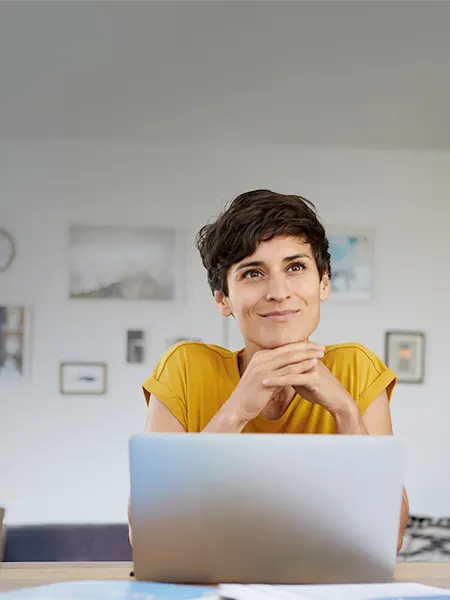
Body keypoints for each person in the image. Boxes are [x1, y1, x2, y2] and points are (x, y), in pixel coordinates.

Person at [129, 189, 409, 551]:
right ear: (223, 298)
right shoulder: (184, 369)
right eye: (252, 273)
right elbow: (148, 534)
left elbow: (391, 536)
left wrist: (345, 412)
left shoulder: (356, 368)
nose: (278, 291)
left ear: (323, 282)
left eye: (295, 267)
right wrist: (236, 412)